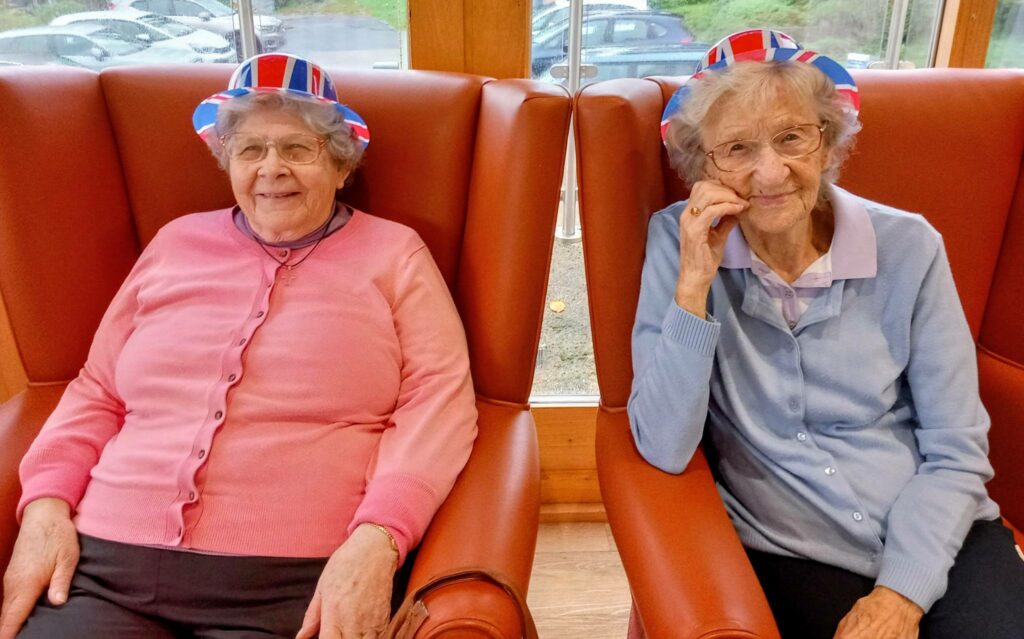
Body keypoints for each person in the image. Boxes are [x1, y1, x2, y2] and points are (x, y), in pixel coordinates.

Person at [0, 53, 478, 639]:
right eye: (250, 150)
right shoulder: (176, 243)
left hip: (293, 584)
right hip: (104, 563)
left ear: (341, 164)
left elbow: (439, 401)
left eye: (297, 149)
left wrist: (379, 538)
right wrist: (45, 505)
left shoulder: (394, 255)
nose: (270, 168)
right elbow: (98, 389)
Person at [631, 29, 1024, 639]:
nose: (770, 172)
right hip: (793, 547)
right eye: (736, 148)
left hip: (940, 527)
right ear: (702, 165)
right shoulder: (677, 241)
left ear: (827, 141)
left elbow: (955, 447)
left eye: (791, 137)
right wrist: (693, 288)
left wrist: (901, 594)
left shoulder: (910, 246)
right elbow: (662, 445)